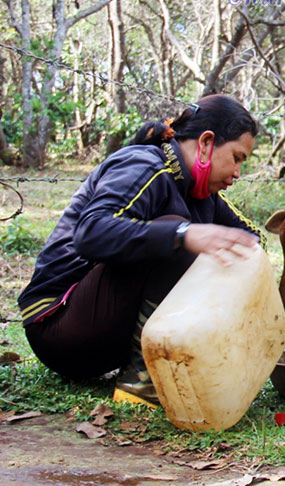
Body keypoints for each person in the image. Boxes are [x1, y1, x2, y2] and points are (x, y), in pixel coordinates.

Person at [18, 94, 264, 403]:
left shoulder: (199, 192)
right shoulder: (143, 164)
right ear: (206, 142)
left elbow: (250, 239)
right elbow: (90, 232)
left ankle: (173, 364)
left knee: (215, 238)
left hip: (106, 341)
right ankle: (141, 382)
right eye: (237, 157)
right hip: (58, 327)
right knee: (180, 231)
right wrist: (184, 234)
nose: (237, 172)